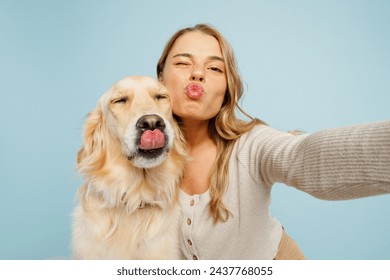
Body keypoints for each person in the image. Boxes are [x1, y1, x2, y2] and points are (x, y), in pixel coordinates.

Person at [156, 23, 390, 260]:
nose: (198, 74)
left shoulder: (251, 146)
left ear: (227, 89)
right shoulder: (136, 162)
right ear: (160, 79)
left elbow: (303, 157)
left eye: (215, 68)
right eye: (183, 63)